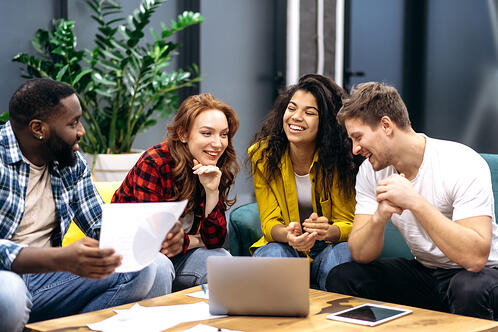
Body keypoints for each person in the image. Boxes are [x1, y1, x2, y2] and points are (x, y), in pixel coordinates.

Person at [0, 78, 176, 331]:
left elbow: (100, 225)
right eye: (73, 123)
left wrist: (156, 231)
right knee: (9, 291)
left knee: (153, 266)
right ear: (39, 128)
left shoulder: (69, 162)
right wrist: (60, 258)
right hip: (7, 279)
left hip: (46, 282)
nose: (81, 131)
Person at [326, 82, 498, 319]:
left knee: (468, 288)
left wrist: (414, 202)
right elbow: (361, 254)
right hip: (426, 273)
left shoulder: (461, 162)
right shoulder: (370, 171)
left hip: (483, 274)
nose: (355, 149)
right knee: (344, 277)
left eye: (358, 137)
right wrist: (379, 217)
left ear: (386, 125)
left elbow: (475, 258)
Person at [112, 93, 239, 291]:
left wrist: (212, 191)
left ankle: (210, 322)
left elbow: (214, 240)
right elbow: (155, 243)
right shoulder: (155, 163)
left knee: (221, 261)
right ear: (183, 133)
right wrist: (195, 241)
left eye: (223, 134)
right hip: (131, 258)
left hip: (177, 256)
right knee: (160, 266)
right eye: (207, 133)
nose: (218, 143)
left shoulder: (213, 164)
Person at [248, 74, 361, 290]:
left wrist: (329, 231)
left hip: (329, 246)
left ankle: (330, 321)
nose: (296, 117)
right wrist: (289, 235)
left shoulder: (341, 159)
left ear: (326, 122)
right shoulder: (262, 155)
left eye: (309, 112)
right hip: (285, 245)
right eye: (292, 108)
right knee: (273, 254)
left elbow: (349, 222)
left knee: (344, 255)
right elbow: (269, 223)